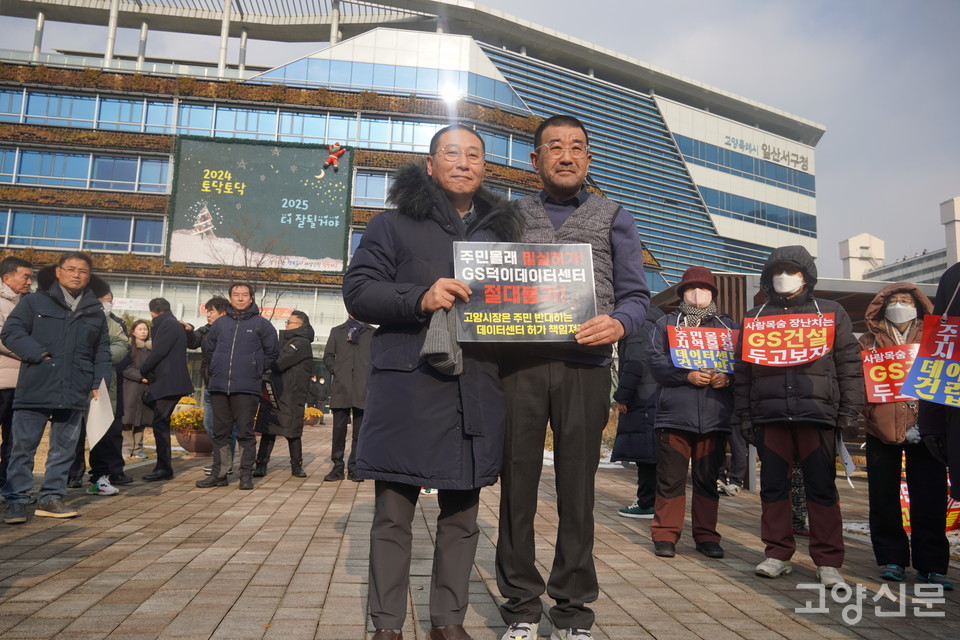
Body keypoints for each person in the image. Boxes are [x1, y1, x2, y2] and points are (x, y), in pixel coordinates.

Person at [343, 124, 521, 640]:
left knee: (463, 514)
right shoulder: (393, 225)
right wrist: (420, 295)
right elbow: (359, 291)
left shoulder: (502, 234)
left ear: (485, 167)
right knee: (393, 513)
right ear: (429, 163)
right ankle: (387, 625)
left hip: (476, 386)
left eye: (473, 155)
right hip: (411, 384)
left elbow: (530, 300)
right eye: (451, 153)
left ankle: (448, 622)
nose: (463, 162)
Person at [496, 115, 649, 640]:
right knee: (516, 485)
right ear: (533, 160)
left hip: (586, 368)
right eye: (554, 147)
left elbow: (637, 297)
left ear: (588, 159)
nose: (566, 155)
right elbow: (481, 276)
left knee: (577, 490)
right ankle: (519, 605)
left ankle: (573, 610)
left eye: (577, 147)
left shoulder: (614, 217)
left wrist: (619, 322)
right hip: (519, 367)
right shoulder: (509, 214)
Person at [733, 245, 863, 587]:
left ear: (806, 276)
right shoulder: (755, 317)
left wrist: (849, 408)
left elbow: (849, 365)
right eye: (777, 270)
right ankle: (777, 553)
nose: (783, 277)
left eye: (791, 270)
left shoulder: (830, 312)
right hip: (770, 416)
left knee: (822, 488)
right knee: (773, 488)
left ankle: (828, 562)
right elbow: (743, 371)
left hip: (817, 414)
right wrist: (745, 415)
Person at [1, 252, 111, 523]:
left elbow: (102, 350)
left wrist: (98, 381)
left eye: (83, 271)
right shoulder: (34, 301)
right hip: (37, 383)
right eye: (70, 269)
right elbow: (11, 333)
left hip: (75, 386)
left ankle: (51, 497)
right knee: (23, 447)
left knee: (64, 448)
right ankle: (16, 498)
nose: (76, 274)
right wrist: (38, 354)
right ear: (58, 272)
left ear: (89, 276)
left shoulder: (94, 310)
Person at [859, 282, 951, 588]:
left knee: (930, 496)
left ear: (919, 305)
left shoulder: (933, 337)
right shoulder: (868, 340)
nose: (900, 304)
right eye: (894, 300)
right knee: (883, 497)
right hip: (880, 428)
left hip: (926, 429)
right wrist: (866, 412)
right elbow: (857, 381)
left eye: (906, 300)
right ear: (881, 307)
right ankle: (891, 559)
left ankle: (933, 565)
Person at [647, 267, 737, 560]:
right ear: (681, 292)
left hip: (714, 417)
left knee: (707, 479)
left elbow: (742, 364)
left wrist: (728, 378)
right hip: (675, 416)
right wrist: (685, 376)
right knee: (669, 479)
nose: (697, 294)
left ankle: (707, 536)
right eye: (690, 288)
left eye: (704, 288)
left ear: (713, 293)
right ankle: (665, 535)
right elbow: (656, 363)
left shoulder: (727, 327)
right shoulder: (665, 324)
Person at [197, 283, 278, 490]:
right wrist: (215, 371)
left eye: (244, 295)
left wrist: (255, 370)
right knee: (220, 433)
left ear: (251, 298)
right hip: (219, 387)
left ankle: (245, 475)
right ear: (230, 298)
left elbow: (272, 353)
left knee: (245, 432)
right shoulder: (220, 323)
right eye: (236, 295)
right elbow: (210, 350)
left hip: (247, 388)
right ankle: (220, 474)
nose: (240, 298)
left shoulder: (262, 325)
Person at [68, 282, 130, 495]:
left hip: (102, 386)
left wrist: (100, 356)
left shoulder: (112, 323)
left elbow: (122, 346)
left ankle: (99, 477)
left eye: (107, 298)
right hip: (74, 384)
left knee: (101, 432)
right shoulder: (71, 317)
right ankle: (71, 475)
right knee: (71, 433)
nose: (105, 302)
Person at [611, 305, 664, 519]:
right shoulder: (659, 321)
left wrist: (622, 396)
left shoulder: (637, 325)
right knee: (653, 452)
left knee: (647, 454)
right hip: (657, 395)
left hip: (643, 397)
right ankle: (653, 502)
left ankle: (646, 503)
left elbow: (635, 363)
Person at [254, 310, 315, 478]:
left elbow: (279, 362)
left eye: (289, 322)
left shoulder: (301, 343)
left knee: (292, 432)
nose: (286, 325)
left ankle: (297, 466)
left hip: (291, 394)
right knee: (268, 429)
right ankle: (261, 464)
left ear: (299, 325)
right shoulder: (287, 341)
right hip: (276, 390)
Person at [139, 298, 194, 482]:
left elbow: (158, 352)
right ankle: (163, 467)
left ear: (153, 312)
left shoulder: (167, 325)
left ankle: (164, 468)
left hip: (169, 382)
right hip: (169, 382)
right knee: (159, 422)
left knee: (160, 423)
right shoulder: (172, 323)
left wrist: (143, 368)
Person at [183, 296, 237, 475]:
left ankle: (225, 463)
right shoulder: (205, 330)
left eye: (211, 311)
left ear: (223, 313)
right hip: (210, 383)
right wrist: (188, 331)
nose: (208, 315)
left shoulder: (233, 330)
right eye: (207, 311)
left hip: (228, 385)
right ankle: (221, 460)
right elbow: (192, 343)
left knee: (228, 426)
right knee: (210, 423)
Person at [322, 315, 373, 482]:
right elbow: (328, 356)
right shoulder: (337, 331)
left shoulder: (372, 333)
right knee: (338, 430)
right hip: (341, 387)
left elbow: (379, 357)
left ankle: (355, 467)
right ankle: (337, 466)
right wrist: (337, 370)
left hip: (363, 388)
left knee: (360, 432)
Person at [0, 256, 32, 490]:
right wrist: (34, 354)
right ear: (6, 278)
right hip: (2, 382)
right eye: (26, 277)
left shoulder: (27, 303)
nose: (30, 282)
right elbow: (3, 339)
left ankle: (6, 485)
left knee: (14, 440)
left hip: (22, 383)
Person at [122, 320, 153, 459]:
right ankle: (126, 448)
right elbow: (124, 368)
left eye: (145, 329)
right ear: (133, 331)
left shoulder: (152, 349)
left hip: (146, 389)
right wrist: (140, 377)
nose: (143, 332)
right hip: (131, 388)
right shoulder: (128, 347)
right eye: (140, 329)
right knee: (128, 419)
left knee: (142, 420)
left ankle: (138, 449)